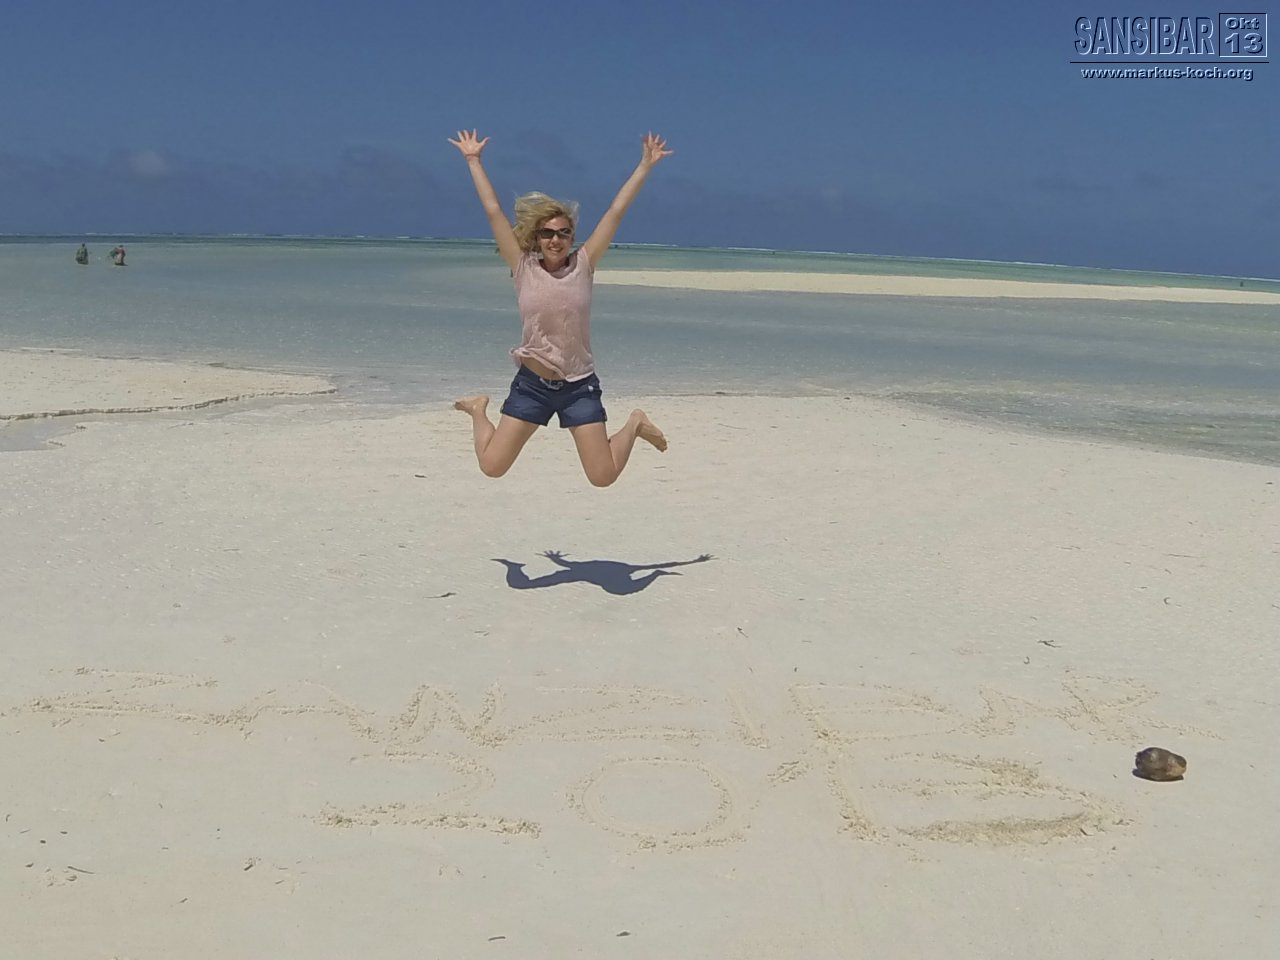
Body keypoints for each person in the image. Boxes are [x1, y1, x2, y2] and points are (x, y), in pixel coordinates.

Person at [448, 129, 672, 487]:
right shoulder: (523, 267)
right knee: (492, 466)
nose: (555, 239)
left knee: (602, 476)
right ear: (537, 238)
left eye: (563, 233)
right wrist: (473, 160)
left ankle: (634, 423)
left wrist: (645, 165)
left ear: (572, 237)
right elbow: (493, 212)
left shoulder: (584, 264)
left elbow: (615, 212)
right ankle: (478, 409)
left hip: (578, 386)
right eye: (548, 233)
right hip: (532, 386)